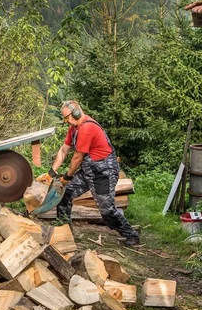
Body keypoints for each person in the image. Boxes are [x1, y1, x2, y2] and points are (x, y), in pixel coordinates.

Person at [38, 100, 140, 246]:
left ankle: (131, 235)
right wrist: (51, 172)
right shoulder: (74, 129)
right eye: (65, 119)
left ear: (76, 113)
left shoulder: (87, 128)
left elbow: (77, 157)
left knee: (106, 209)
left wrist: (67, 176)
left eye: (67, 118)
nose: (66, 121)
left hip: (103, 171)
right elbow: (64, 150)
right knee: (66, 193)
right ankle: (64, 230)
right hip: (89, 170)